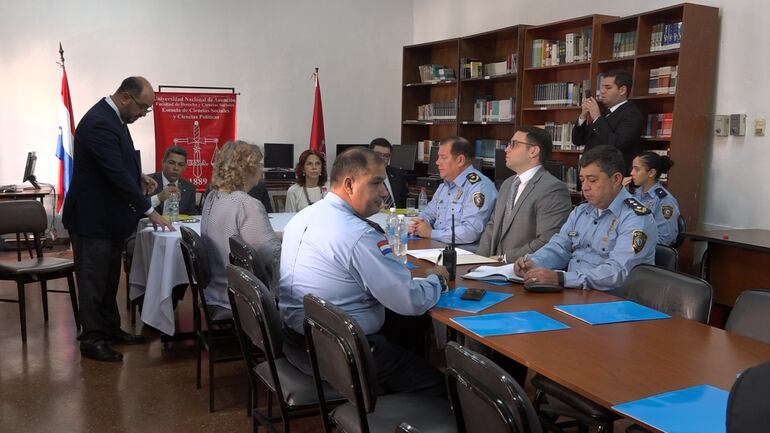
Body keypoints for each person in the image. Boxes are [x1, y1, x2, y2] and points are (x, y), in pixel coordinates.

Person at [279, 147, 449, 397]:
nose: (384, 193)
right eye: (377, 183)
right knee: (445, 388)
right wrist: (438, 279)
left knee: (402, 329)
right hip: (344, 352)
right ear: (349, 184)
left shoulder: (303, 217)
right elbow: (410, 300)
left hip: (300, 340)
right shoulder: (358, 234)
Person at [62, 76, 173, 362]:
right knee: (93, 281)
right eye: (142, 108)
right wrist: (150, 211)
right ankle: (92, 339)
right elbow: (112, 172)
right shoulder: (100, 121)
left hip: (108, 219)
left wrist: (138, 175)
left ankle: (110, 329)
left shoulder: (115, 119)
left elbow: (116, 161)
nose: (143, 114)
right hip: (91, 219)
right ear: (125, 97)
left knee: (109, 279)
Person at [514, 145, 657, 295]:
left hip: (612, 302)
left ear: (616, 179)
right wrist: (533, 262)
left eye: (592, 180)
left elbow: (618, 271)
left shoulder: (636, 218)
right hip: (573, 293)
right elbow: (560, 247)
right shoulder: (581, 211)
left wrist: (562, 279)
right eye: (582, 180)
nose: (585, 187)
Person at [201, 140, 281, 308]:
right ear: (246, 169)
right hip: (244, 295)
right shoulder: (247, 204)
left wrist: (282, 236)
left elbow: (240, 236)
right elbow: (272, 256)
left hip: (216, 286)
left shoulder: (212, 196)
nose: (261, 169)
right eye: (258, 164)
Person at [477, 126, 572, 262]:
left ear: (533, 151)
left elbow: (547, 240)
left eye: (513, 144)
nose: (506, 149)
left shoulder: (553, 189)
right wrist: (478, 260)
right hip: (489, 269)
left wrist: (504, 259)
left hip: (520, 272)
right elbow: (492, 225)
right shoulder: (507, 184)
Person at [409, 136, 497, 250]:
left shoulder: (479, 187)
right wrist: (418, 225)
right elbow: (427, 214)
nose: (437, 162)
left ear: (460, 160)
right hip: (437, 247)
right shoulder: (445, 185)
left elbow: (470, 232)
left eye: (443, 157)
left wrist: (431, 233)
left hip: (462, 254)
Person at [572, 69, 643, 173]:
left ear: (622, 90)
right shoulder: (605, 113)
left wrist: (597, 117)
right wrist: (583, 115)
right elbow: (578, 140)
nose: (602, 91)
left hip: (610, 175)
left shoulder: (632, 114)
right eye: (602, 87)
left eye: (608, 88)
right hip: (590, 171)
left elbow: (616, 145)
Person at [624, 151, 681, 246]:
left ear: (651, 173)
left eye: (636, 169)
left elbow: (664, 239)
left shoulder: (664, 201)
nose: (631, 173)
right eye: (632, 168)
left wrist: (629, 241)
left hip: (645, 252)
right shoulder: (634, 193)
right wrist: (623, 195)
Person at [149, 146, 198, 215]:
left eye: (180, 164)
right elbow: (136, 208)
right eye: (171, 163)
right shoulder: (148, 182)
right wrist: (158, 198)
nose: (176, 168)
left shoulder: (189, 187)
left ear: (185, 167)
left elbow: (192, 215)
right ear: (163, 162)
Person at [369, 137, 409, 208]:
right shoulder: (361, 176)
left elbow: (404, 202)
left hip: (395, 216)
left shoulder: (398, 174)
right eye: (378, 154)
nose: (382, 158)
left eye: (386, 155)